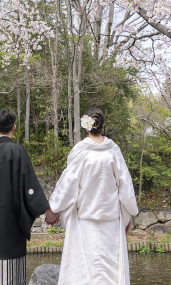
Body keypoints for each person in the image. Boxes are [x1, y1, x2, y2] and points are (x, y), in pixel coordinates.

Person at [0, 109, 60, 285]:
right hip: (10, 226)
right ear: (14, 128)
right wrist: (48, 211)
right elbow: (30, 188)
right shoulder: (18, 151)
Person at [49, 107, 139, 285]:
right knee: (111, 271)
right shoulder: (113, 151)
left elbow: (69, 185)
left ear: (85, 126)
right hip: (111, 223)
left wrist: (54, 209)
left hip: (86, 223)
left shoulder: (81, 151)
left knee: (85, 270)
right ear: (103, 125)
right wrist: (128, 216)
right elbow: (125, 187)